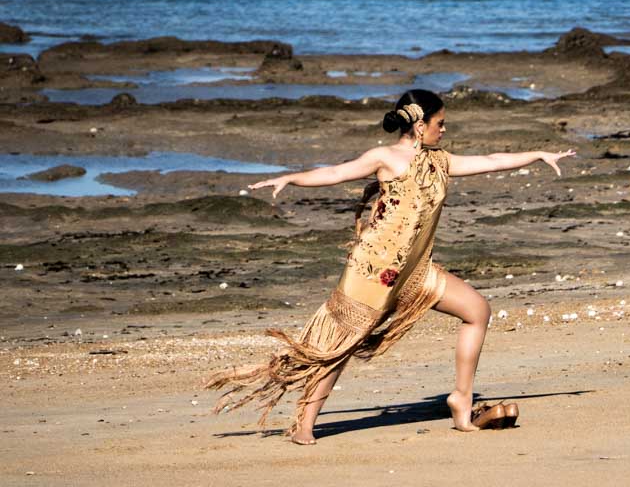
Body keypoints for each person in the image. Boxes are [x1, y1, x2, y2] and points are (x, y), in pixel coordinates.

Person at [207, 89, 576, 444]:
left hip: (416, 273)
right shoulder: (384, 157)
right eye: (440, 123)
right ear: (420, 125)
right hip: (372, 273)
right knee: (340, 346)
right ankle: (304, 423)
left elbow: (493, 160)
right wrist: (291, 177)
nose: (444, 130)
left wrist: (539, 154)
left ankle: (461, 400)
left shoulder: (441, 161)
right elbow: (336, 173)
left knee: (477, 311)